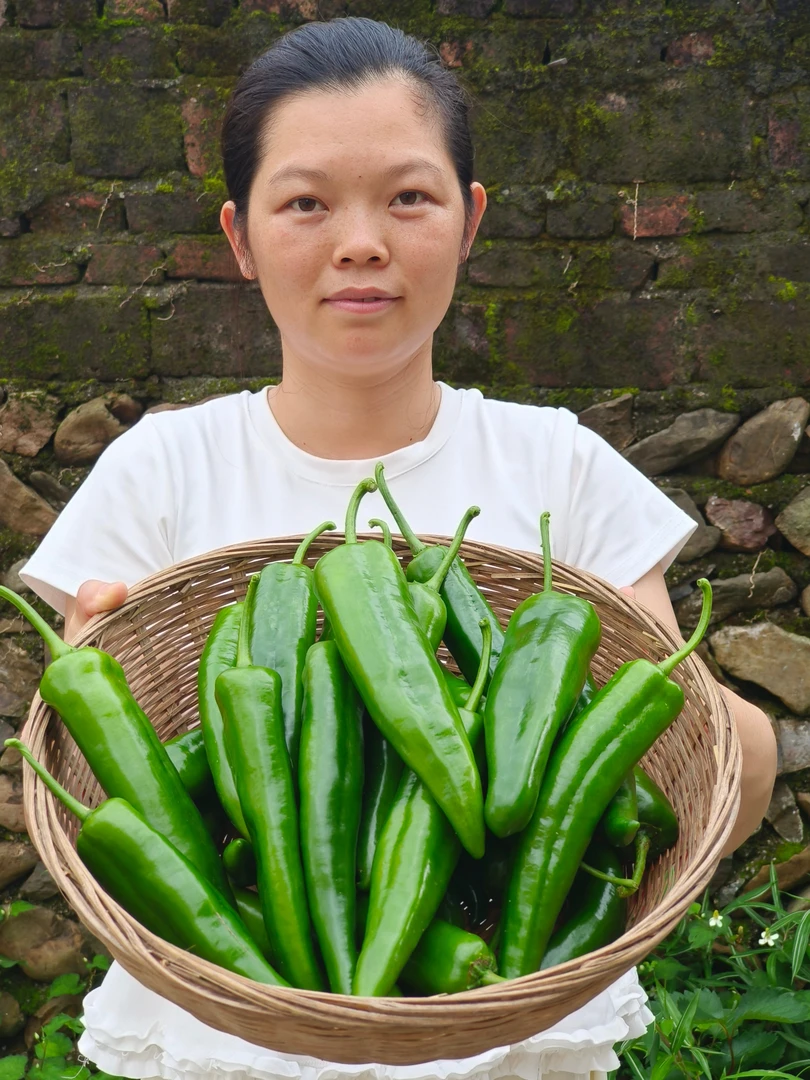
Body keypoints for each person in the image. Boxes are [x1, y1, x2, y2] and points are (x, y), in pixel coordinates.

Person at [20, 17, 777, 1080]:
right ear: (239, 238)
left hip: (520, 1039)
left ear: (470, 223)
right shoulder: (159, 470)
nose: (361, 241)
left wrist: (674, 695)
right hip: (219, 1046)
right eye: (307, 203)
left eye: (408, 197)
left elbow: (718, 792)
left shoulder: (557, 467)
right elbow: (112, 809)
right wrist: (96, 684)